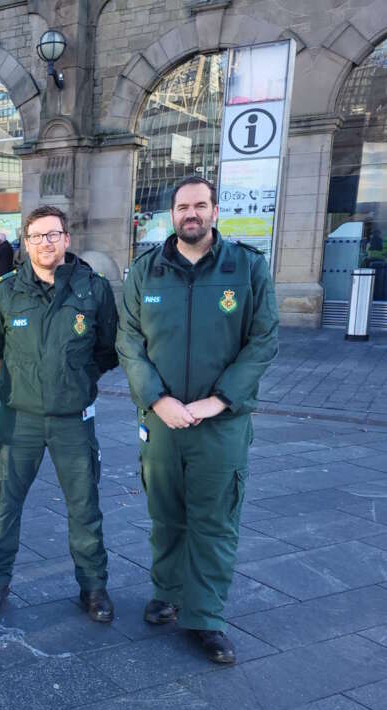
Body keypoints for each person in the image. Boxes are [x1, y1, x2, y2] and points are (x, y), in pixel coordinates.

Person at [116, 176, 278, 664]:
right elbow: (128, 340)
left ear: (214, 212)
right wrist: (157, 399)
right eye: (183, 206)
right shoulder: (146, 272)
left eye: (200, 205)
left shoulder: (246, 268)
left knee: (214, 522)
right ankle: (167, 593)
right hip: (162, 421)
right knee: (166, 516)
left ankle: (205, 617)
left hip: (220, 424)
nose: (192, 213)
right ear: (172, 214)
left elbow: (264, 340)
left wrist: (219, 400)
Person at [0, 205, 118, 622]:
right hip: (19, 419)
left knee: (84, 506)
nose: (46, 243)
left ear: (67, 239)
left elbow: (107, 349)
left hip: (73, 420)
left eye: (53, 234)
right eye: (37, 236)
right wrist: (19, 385)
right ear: (25, 242)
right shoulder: (3, 292)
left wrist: (76, 379)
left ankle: (93, 588)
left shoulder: (93, 289)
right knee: (6, 507)